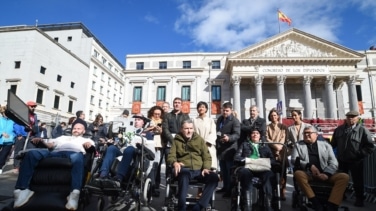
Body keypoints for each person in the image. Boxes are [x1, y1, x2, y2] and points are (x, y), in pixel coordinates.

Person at [13, 118, 95, 210]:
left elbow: (90, 148)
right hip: (55, 153)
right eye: (74, 128)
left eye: (79, 128)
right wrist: (41, 141)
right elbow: (50, 145)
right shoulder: (62, 138)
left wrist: (88, 145)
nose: (76, 130)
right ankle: (21, 190)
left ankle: (74, 193)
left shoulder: (87, 140)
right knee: (31, 154)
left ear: (84, 131)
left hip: (74, 153)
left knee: (78, 157)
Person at [292, 125, 349, 211]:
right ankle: (315, 202)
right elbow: (293, 159)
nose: (306, 135)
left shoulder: (326, 145)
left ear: (316, 135)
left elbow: (334, 162)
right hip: (309, 174)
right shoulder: (298, 145)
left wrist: (327, 174)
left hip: (325, 174)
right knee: (298, 174)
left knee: (344, 177)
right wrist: (309, 165)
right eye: (305, 133)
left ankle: (332, 204)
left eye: (309, 133)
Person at [167, 119, 219, 211]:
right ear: (181, 129)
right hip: (184, 169)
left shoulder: (199, 140)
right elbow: (171, 155)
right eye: (186, 128)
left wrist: (206, 168)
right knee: (184, 174)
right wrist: (174, 162)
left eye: (191, 128)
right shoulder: (176, 141)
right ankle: (181, 207)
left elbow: (207, 156)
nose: (189, 131)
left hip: (199, 170)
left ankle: (199, 206)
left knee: (214, 178)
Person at [331, 110, 376, 207]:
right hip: (342, 160)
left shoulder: (363, 130)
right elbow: (332, 144)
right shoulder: (339, 130)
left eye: (353, 117)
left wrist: (359, 154)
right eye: (349, 117)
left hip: (356, 161)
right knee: (340, 179)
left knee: (358, 181)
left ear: (357, 119)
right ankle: (340, 195)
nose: (350, 118)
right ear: (346, 118)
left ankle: (359, 199)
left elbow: (370, 147)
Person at [97, 114, 153, 179]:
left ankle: (119, 177)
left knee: (129, 149)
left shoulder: (147, 134)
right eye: (134, 119)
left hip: (137, 155)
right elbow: (119, 142)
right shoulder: (126, 131)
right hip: (123, 151)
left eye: (139, 120)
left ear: (143, 122)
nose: (136, 121)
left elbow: (149, 149)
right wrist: (113, 141)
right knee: (111, 148)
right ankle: (103, 174)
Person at [234, 128, 276, 211]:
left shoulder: (265, 146)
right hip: (248, 167)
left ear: (260, 136)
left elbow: (272, 159)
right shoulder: (244, 144)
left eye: (257, 133)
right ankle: (247, 206)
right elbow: (236, 157)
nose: (255, 134)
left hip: (262, 167)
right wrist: (245, 160)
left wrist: (264, 161)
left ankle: (268, 206)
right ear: (250, 136)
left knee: (269, 175)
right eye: (253, 133)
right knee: (245, 173)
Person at [161, 98, 190, 184]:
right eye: (175, 103)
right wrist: (172, 140)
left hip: (182, 144)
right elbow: (165, 129)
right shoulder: (167, 116)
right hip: (169, 144)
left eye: (178, 103)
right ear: (173, 104)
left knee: (181, 164)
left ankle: (180, 187)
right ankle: (170, 189)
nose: (177, 104)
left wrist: (180, 139)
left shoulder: (186, 116)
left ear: (181, 105)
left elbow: (187, 129)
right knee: (169, 165)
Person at [216, 102, 240, 197]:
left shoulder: (235, 121)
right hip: (221, 149)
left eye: (227, 110)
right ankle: (225, 187)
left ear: (231, 110)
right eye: (223, 110)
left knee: (229, 171)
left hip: (230, 149)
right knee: (223, 171)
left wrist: (229, 138)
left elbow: (237, 134)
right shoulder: (220, 119)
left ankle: (230, 191)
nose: (225, 112)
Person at [266, 108, 288, 200]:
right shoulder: (267, 127)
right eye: (271, 115)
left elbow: (284, 138)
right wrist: (276, 148)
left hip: (282, 153)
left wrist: (279, 148)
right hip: (271, 152)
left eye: (275, 115)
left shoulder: (283, 127)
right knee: (272, 172)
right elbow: (267, 139)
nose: (273, 117)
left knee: (283, 172)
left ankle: (282, 191)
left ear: (278, 116)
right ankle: (273, 190)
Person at [192, 101, 217, 169]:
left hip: (208, 146)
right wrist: (198, 142)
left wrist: (207, 142)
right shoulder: (194, 120)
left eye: (203, 107)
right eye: (199, 107)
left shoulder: (210, 120)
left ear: (206, 109)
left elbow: (213, 133)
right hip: (197, 146)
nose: (201, 108)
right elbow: (193, 132)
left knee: (210, 167)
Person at [145, 106, 164, 190]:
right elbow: (143, 130)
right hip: (147, 144)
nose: (157, 116)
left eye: (159, 114)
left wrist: (160, 130)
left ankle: (153, 185)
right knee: (147, 165)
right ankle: (146, 182)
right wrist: (151, 128)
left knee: (156, 165)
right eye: (155, 114)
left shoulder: (163, 121)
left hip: (158, 145)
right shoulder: (148, 121)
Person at [0, 105, 16, 174]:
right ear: (2, 113)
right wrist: (1, 133)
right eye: (5, 113)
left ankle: (0, 167)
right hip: (0, 139)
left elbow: (15, 131)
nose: (6, 114)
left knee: (3, 156)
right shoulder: (0, 120)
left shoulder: (13, 121)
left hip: (9, 141)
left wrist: (12, 137)